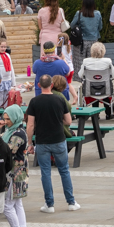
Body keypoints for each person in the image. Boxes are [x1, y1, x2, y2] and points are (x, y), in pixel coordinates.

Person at [25, 74, 78, 214]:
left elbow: (30, 125)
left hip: (42, 141)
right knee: (64, 170)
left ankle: (49, 204)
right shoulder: (59, 100)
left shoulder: (34, 101)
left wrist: (29, 143)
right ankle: (71, 202)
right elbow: (68, 121)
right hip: (59, 139)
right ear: (52, 85)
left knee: (45, 172)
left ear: (38, 85)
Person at [67, 0, 102, 74]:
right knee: (92, 63)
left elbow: (72, 25)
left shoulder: (79, 13)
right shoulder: (97, 14)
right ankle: (91, 77)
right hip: (94, 41)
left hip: (80, 42)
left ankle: (79, 78)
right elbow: (100, 27)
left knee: (79, 63)